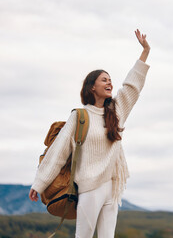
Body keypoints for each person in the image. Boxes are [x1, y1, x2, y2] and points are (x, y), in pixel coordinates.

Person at [29, 29, 150, 238]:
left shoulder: (116, 111)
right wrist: (39, 183)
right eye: (104, 80)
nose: (109, 83)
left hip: (112, 188)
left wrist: (145, 52)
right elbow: (58, 151)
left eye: (110, 80)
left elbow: (132, 86)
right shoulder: (80, 116)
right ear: (91, 87)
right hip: (89, 187)